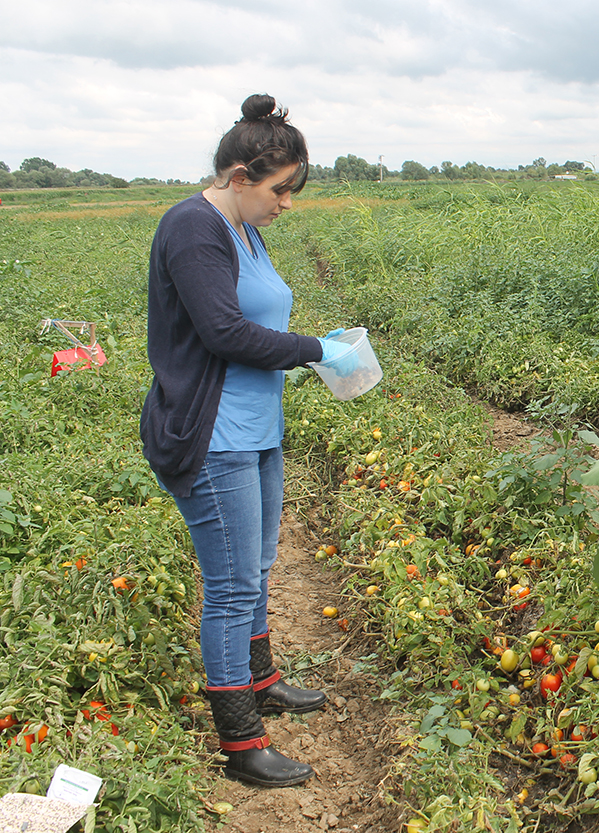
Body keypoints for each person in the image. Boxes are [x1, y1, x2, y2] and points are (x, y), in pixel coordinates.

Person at [141, 94, 356, 787]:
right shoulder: (191, 229)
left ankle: (261, 679)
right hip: (213, 437)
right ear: (239, 176)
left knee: (256, 564)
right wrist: (314, 348)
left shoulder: (243, 228)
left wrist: (312, 350)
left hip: (256, 428)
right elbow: (224, 332)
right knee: (232, 585)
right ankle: (241, 742)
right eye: (279, 189)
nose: (286, 203)